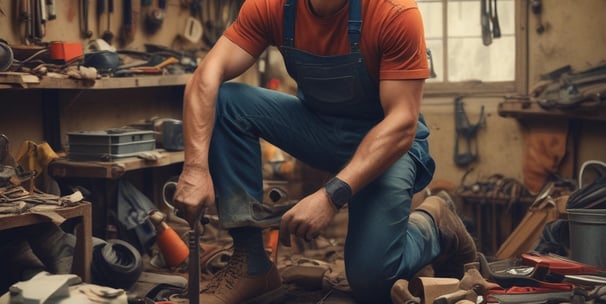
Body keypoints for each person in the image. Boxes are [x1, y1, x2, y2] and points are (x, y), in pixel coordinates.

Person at [173, 0, 477, 303]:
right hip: (319, 129)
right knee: (225, 101)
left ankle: (433, 225)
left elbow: (402, 123)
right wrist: (195, 169)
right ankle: (252, 265)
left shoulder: (394, 13)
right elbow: (206, 75)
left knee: (371, 281)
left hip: (387, 144)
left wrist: (330, 196)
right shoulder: (271, 6)